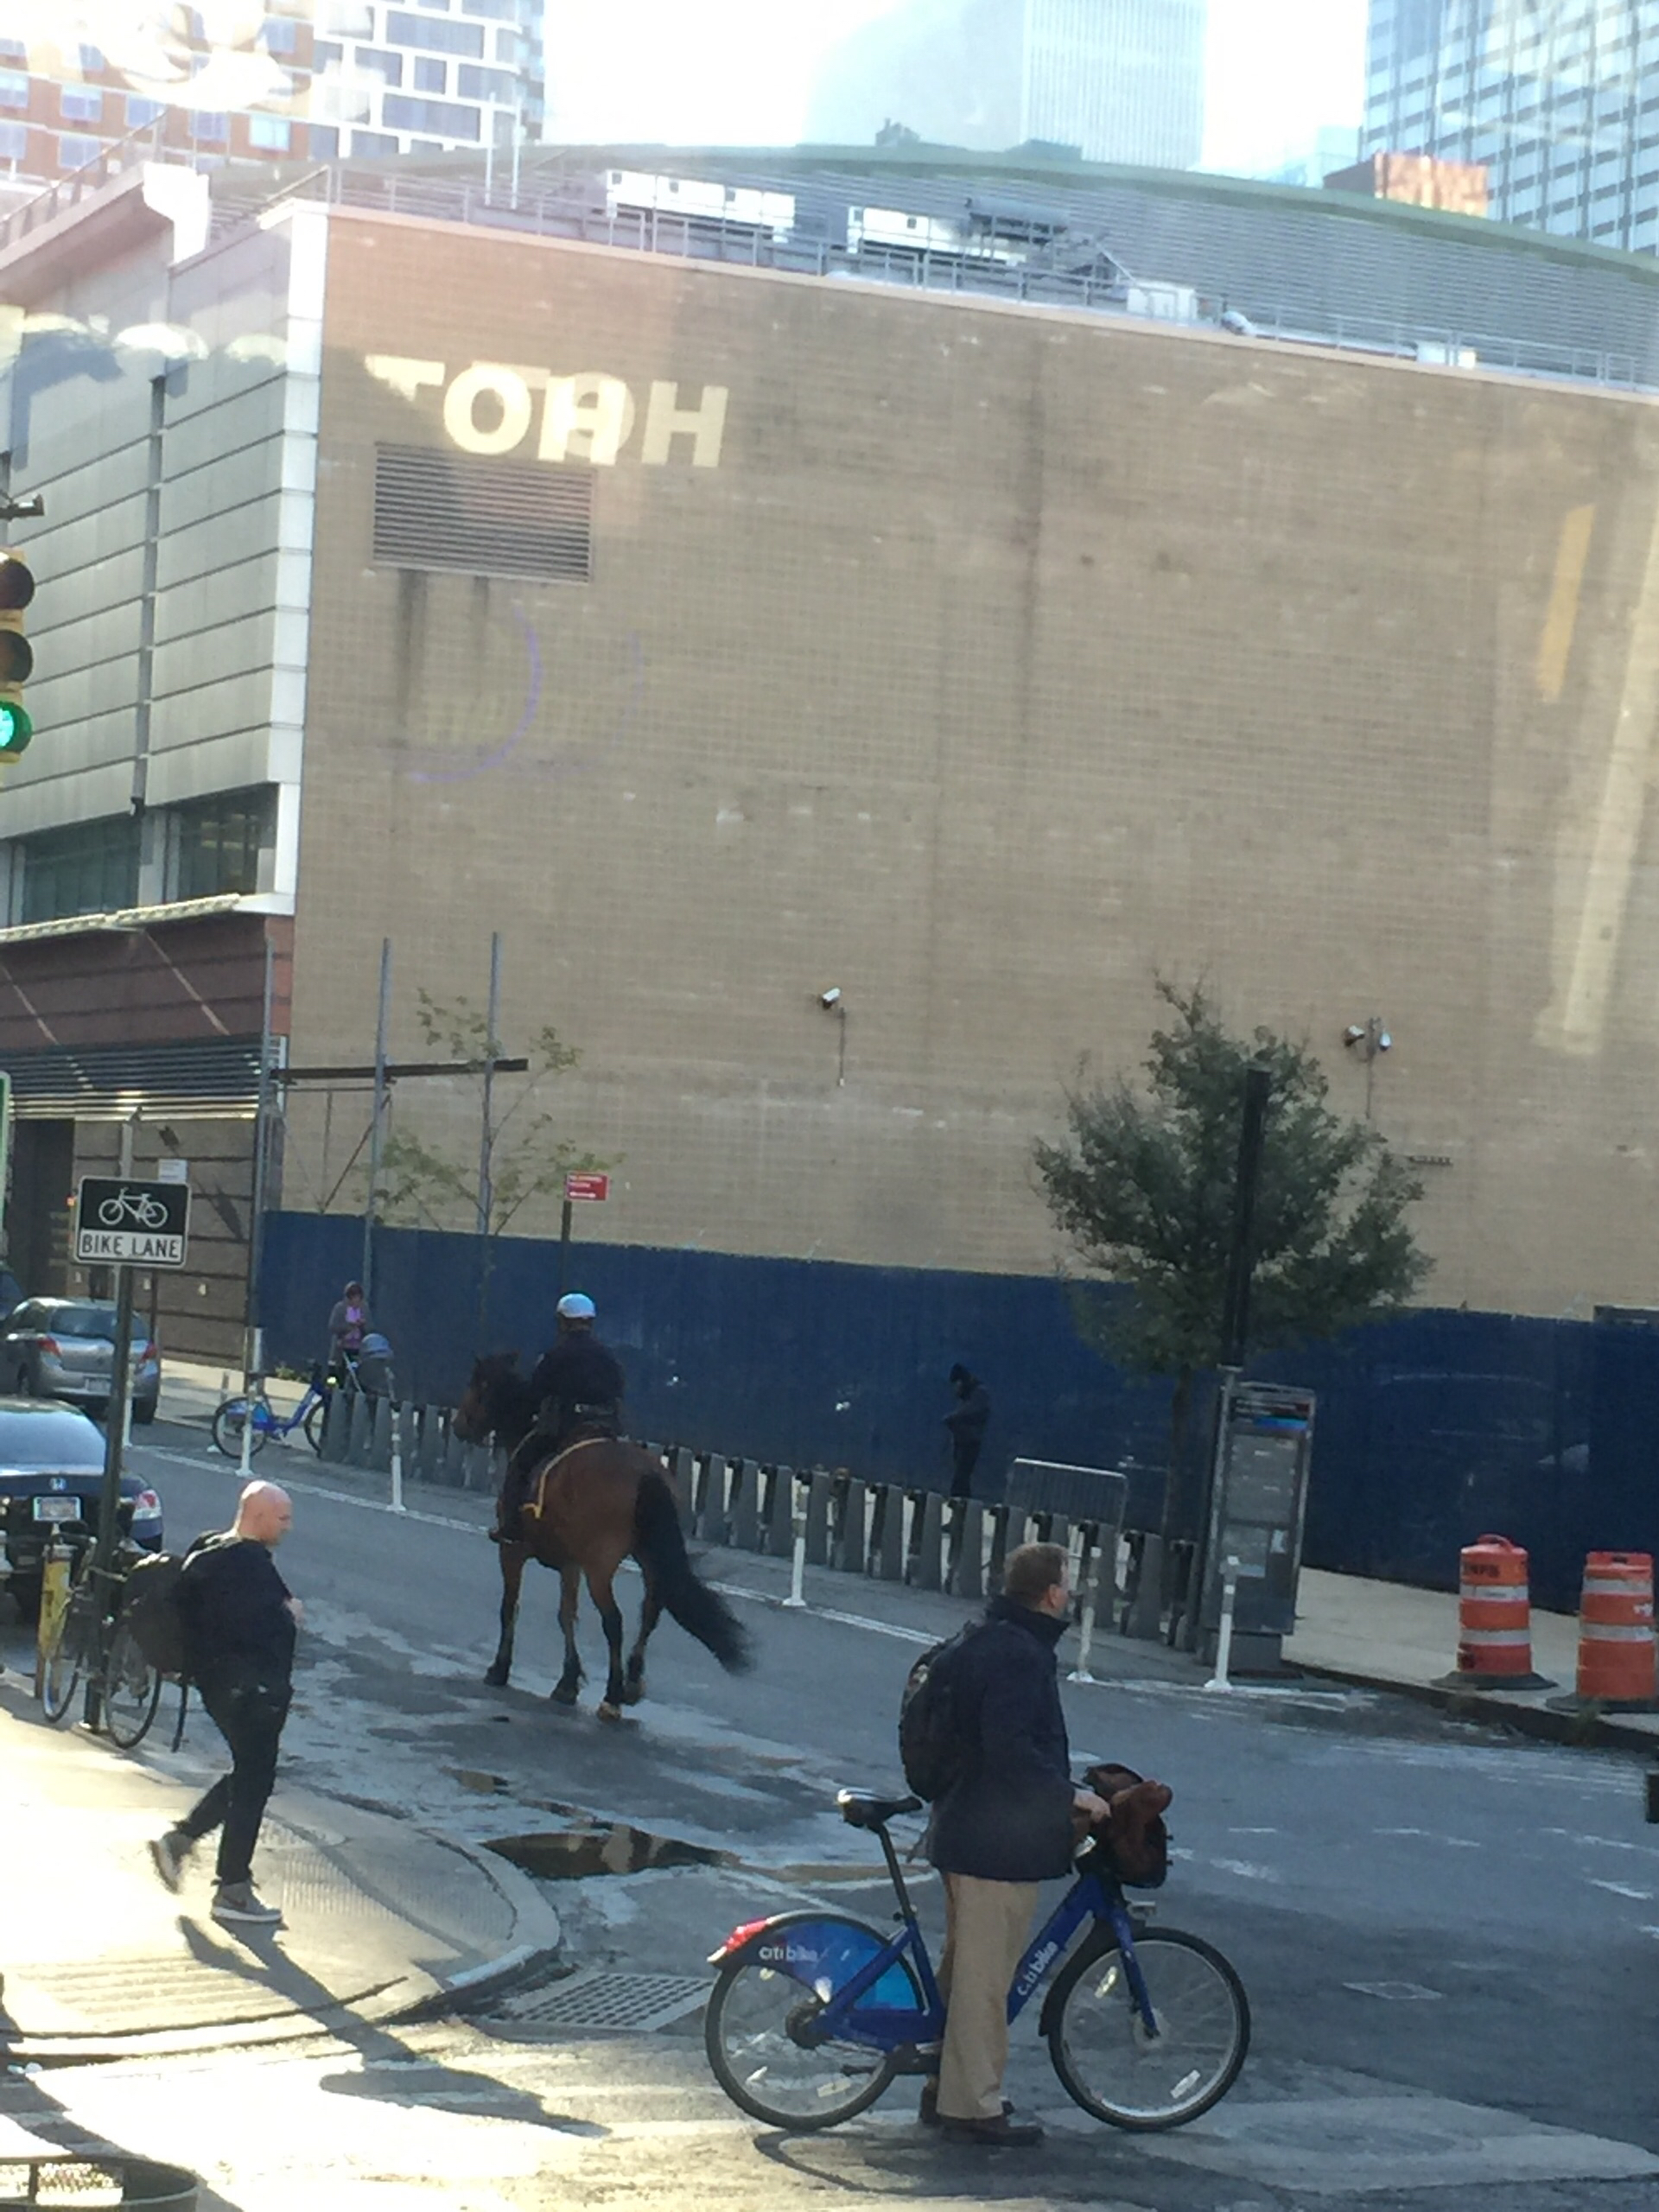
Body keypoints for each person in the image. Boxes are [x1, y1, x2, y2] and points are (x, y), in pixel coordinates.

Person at [923, 1541, 1109, 2146]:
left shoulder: (991, 1634)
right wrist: (1068, 1795)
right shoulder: (1019, 1654)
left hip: (965, 1825)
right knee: (984, 1979)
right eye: (1069, 1583)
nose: (1073, 1593)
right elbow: (1009, 1746)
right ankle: (972, 2106)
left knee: (963, 1973)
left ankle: (943, 2083)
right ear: (1052, 1593)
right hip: (993, 1838)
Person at [148, 1480, 302, 1929]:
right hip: (248, 1693)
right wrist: (290, 1615)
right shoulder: (249, 1567)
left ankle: (182, 1840)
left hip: (218, 1685)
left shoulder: (211, 1547)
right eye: (283, 1518)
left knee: (250, 1773)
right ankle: (232, 1888)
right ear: (258, 1517)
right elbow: (263, 1630)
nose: (289, 1527)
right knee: (255, 1781)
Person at [490, 1292, 626, 1542]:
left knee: (520, 1464)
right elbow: (619, 1390)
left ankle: (511, 1527)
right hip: (606, 1428)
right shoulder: (609, 1357)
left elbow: (535, 1394)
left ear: (563, 1322)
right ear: (590, 1322)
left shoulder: (556, 1356)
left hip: (567, 1428)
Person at [944, 1363, 991, 1498]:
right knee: (961, 1479)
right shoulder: (969, 1396)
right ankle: (961, 1511)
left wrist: (952, 1418)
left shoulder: (979, 1394)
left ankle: (963, 1510)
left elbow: (969, 1412)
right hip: (962, 1441)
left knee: (961, 1480)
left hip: (970, 1442)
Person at [326, 1281, 369, 1382]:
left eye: (358, 1297)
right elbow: (333, 1326)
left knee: (354, 1377)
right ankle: (332, 1393)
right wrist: (349, 1326)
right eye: (353, 1297)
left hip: (357, 1350)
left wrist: (362, 1325)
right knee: (335, 1377)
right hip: (341, 1349)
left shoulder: (364, 1309)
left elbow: (370, 1328)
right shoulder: (340, 1308)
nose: (356, 1301)